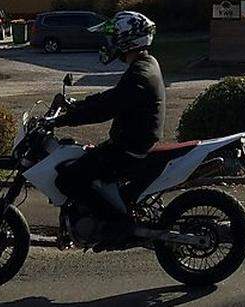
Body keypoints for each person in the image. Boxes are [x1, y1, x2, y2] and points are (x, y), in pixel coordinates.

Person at [53, 11, 163, 224]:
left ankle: (115, 224)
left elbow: (105, 109)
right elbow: (112, 97)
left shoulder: (140, 73)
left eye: (113, 37)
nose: (109, 42)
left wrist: (65, 120)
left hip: (129, 148)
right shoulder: (144, 64)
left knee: (68, 179)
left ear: (127, 39)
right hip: (131, 142)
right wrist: (76, 104)